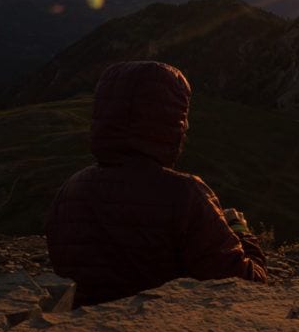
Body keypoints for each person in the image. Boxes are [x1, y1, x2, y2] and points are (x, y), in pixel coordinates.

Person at [45, 60, 267, 306]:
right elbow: (248, 287)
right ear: (169, 124)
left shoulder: (70, 189)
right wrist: (240, 232)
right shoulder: (185, 194)